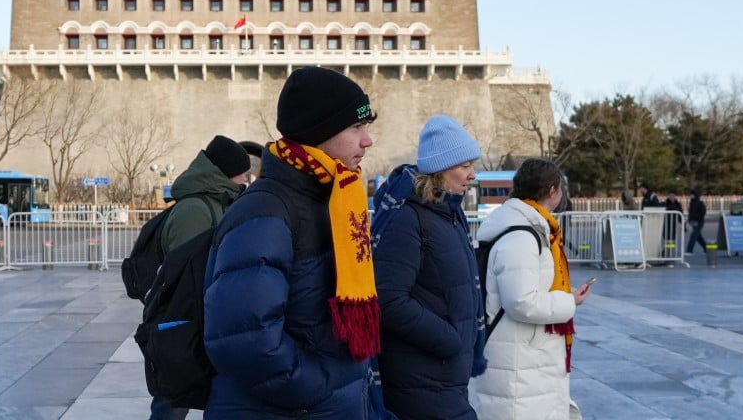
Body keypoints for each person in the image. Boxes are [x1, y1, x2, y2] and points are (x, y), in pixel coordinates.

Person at [203, 66, 379, 419]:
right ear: (321, 132)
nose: (367, 140)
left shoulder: (335, 198)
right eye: (356, 127)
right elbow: (245, 339)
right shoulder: (267, 210)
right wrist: (321, 387)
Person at [372, 115, 485, 420]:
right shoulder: (409, 218)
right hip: (420, 378)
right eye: (465, 166)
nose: (472, 174)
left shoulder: (449, 215)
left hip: (445, 377)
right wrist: (449, 339)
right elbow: (387, 297)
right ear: (439, 171)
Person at [471, 158, 592, 420]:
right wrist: (567, 302)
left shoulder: (528, 227)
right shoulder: (522, 236)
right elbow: (521, 302)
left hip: (525, 358)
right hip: (518, 360)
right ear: (552, 190)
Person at [150, 134, 251, 420]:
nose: (246, 179)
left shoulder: (217, 202)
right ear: (225, 172)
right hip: (184, 318)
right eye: (243, 173)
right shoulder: (194, 209)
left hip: (202, 315)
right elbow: (186, 270)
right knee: (173, 399)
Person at [685, 188, 708, 255]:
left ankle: (689, 250)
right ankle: (706, 249)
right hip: (693, 221)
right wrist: (690, 220)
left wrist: (696, 217)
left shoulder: (700, 203)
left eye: (692, 195)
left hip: (699, 221)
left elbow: (703, 212)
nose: (690, 196)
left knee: (693, 236)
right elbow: (690, 212)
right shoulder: (691, 203)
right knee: (698, 236)